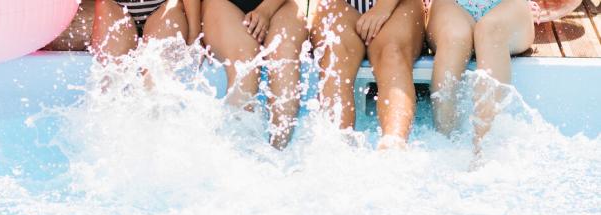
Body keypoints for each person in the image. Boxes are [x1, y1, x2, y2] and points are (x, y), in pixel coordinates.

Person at [309, 0, 425, 149]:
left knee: (392, 52)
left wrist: (384, 7)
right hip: (340, 4)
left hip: (399, 4)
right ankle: (336, 143)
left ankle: (394, 146)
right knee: (335, 52)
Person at [202, 0, 309, 149]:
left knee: (284, 55)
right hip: (223, 3)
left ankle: (280, 151)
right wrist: (193, 33)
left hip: (283, 4)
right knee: (244, 63)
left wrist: (265, 10)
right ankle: (238, 150)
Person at [427, 0, 534, 147]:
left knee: (491, 30)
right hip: (452, 5)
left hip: (508, 6)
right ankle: (444, 145)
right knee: (454, 37)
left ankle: (485, 151)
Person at [91, 0, 201, 62]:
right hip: (113, 6)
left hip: (165, 6)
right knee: (111, 72)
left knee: (157, 71)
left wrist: (194, 34)